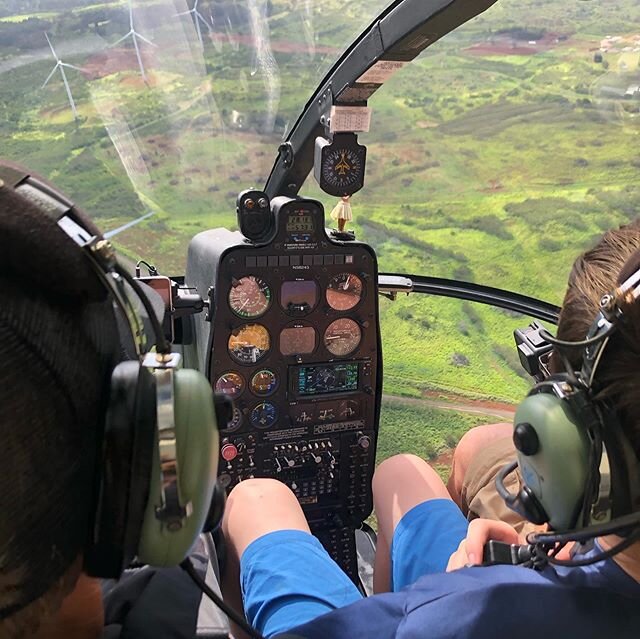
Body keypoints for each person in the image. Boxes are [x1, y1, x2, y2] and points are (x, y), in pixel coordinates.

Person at [221, 220, 640, 638]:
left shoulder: (467, 612)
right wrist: (552, 542)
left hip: (438, 612)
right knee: (401, 472)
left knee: (256, 497)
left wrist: (456, 591)